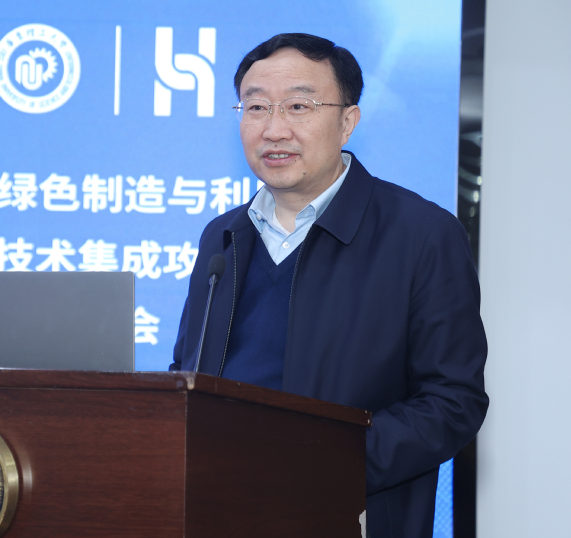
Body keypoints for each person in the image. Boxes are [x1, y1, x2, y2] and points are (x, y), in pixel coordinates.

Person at [169, 33, 488, 537]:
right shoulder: (223, 236)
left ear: (348, 121)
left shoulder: (422, 234)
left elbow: (452, 401)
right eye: (256, 107)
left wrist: (321, 464)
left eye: (298, 106)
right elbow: (188, 371)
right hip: (218, 512)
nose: (274, 128)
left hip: (350, 514)